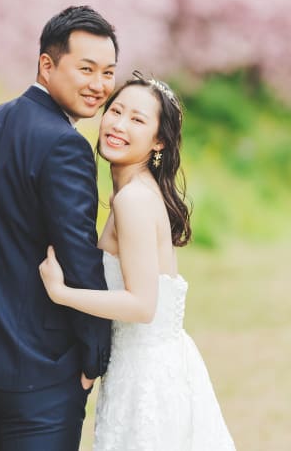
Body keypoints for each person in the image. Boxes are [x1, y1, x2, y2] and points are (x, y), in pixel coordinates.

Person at [0, 5, 118, 450]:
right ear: (46, 65)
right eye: (85, 69)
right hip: (38, 371)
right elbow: (77, 256)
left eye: (108, 72)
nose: (99, 86)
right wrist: (93, 354)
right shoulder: (65, 145)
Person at [38, 72, 236, 450]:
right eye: (116, 111)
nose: (118, 125)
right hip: (143, 367)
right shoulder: (130, 194)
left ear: (158, 140)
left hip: (148, 378)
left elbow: (142, 305)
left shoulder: (134, 201)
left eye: (137, 119)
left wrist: (61, 293)